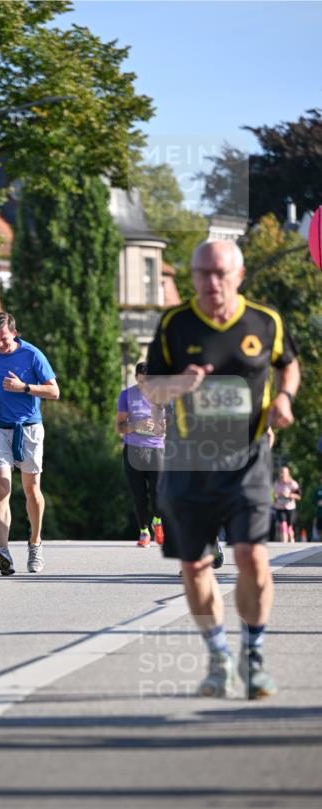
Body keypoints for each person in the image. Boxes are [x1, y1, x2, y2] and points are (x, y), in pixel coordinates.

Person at [146, 240, 300, 700]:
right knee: (195, 566)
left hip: (249, 457)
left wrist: (285, 399)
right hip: (190, 461)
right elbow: (150, 389)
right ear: (192, 276)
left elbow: (287, 367)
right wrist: (181, 383)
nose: (211, 282)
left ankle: (253, 657)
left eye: (220, 273)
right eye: (202, 273)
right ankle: (218, 658)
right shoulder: (175, 323)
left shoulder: (264, 321)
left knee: (252, 556)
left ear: (239, 274)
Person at [0, 312, 60, 575]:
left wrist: (24, 387)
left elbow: (54, 391)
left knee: (31, 490)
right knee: (1, 487)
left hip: (29, 428)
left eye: (2, 339)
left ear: (14, 333)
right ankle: (4, 551)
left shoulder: (33, 355)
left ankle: (35, 542)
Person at [116, 361, 166, 547]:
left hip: (156, 449)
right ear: (136, 378)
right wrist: (137, 425)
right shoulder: (127, 395)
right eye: (142, 381)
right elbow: (119, 427)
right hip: (134, 450)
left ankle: (158, 521)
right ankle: (144, 532)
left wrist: (160, 425)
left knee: (158, 494)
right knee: (139, 495)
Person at [273, 465, 301, 542]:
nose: (282, 474)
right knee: (283, 525)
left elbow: (299, 496)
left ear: (288, 473)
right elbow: (273, 497)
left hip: (290, 507)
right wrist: (275, 497)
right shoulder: (276, 484)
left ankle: (291, 539)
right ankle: (284, 543)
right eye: (281, 472)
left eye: (284, 472)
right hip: (279, 507)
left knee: (289, 527)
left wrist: (288, 495)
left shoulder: (292, 483)